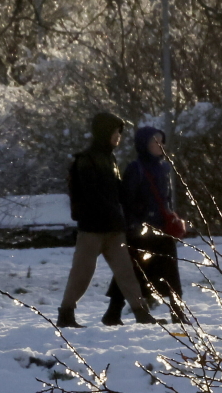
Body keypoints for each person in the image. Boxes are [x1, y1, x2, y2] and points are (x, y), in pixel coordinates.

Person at [57, 112, 159, 327]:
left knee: (126, 272)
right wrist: (115, 209)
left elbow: (117, 191)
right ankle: (66, 314)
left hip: (113, 228)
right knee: (82, 274)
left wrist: (134, 204)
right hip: (92, 229)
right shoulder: (86, 159)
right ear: (105, 132)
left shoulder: (109, 158)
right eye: (116, 132)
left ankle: (141, 312)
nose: (118, 137)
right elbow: (92, 194)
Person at [105, 125, 186, 325]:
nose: (159, 145)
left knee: (170, 271)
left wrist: (170, 217)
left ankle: (177, 312)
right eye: (154, 142)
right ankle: (113, 312)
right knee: (134, 270)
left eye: (161, 141)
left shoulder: (164, 167)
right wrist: (134, 225)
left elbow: (166, 199)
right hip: (141, 230)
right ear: (144, 145)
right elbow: (127, 199)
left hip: (162, 228)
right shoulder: (136, 168)